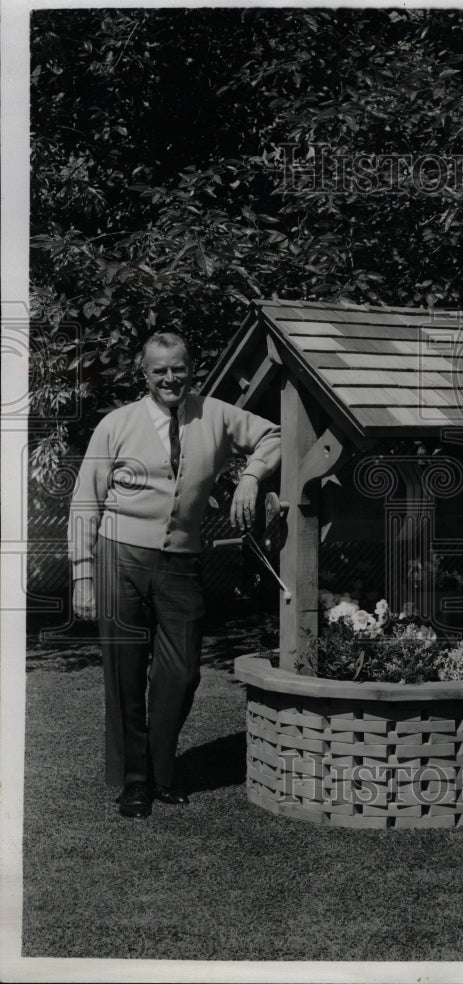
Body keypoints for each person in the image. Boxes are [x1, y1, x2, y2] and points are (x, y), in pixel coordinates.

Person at [69, 331, 281, 818]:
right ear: (144, 374)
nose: (170, 378)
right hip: (118, 557)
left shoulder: (216, 414)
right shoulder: (115, 424)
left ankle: (161, 769)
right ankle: (137, 781)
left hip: (182, 562)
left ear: (191, 368)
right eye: (159, 370)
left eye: (178, 368)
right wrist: (82, 572)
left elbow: (273, 435)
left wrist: (250, 476)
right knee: (125, 674)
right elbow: (85, 499)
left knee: (182, 673)